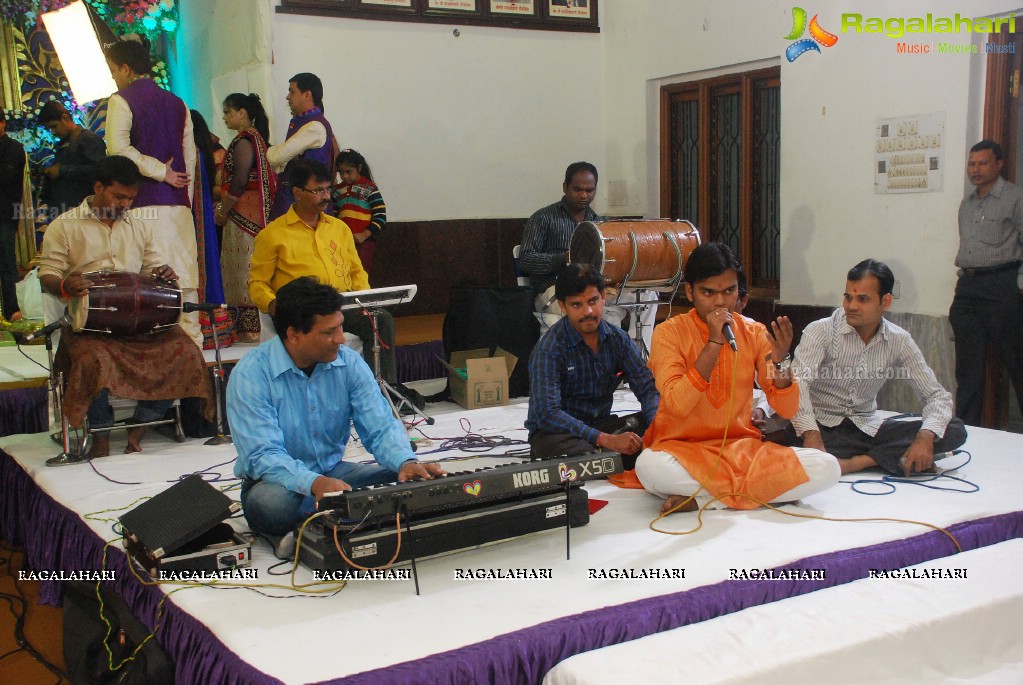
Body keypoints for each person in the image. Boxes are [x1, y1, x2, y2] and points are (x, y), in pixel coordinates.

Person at [227, 276, 444, 536]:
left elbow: (380, 426)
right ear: (293, 334)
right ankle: (344, 511)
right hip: (275, 483)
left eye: (340, 327)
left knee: (407, 478)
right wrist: (314, 482)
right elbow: (262, 455)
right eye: (329, 332)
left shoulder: (349, 363)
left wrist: (404, 461)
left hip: (335, 472)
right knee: (273, 505)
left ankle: (328, 516)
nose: (341, 339)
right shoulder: (251, 374)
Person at [635, 243, 839, 514]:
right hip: (683, 450)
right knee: (649, 467)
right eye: (709, 292)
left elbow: (787, 409)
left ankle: (707, 499)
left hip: (741, 452)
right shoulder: (668, 334)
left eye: (729, 291)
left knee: (827, 466)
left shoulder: (754, 332)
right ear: (690, 292)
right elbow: (678, 404)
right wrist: (713, 344)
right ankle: (753, 492)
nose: (720, 302)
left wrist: (779, 363)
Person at [36, 156, 212, 457]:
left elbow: (152, 266)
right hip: (90, 326)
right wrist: (66, 286)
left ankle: (141, 424)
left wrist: (162, 274)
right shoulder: (64, 226)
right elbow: (47, 275)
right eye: (118, 196)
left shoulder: (138, 225)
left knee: (185, 351)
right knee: (92, 358)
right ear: (98, 187)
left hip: (137, 323)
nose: (125, 205)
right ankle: (101, 434)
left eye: (131, 198)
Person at [793, 259, 968, 476]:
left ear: (885, 302)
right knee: (792, 438)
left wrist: (925, 438)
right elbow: (797, 385)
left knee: (955, 429)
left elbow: (937, 396)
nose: (851, 306)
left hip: (866, 428)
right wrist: (811, 435)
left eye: (862, 299)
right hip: (822, 429)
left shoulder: (899, 340)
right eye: (848, 297)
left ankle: (856, 463)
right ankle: (891, 457)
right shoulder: (820, 331)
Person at [248, 159, 399, 385]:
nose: (327, 196)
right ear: (298, 193)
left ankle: (381, 391)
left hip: (342, 304)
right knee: (317, 326)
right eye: (318, 190)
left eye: (328, 188)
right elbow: (257, 284)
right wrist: (274, 305)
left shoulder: (339, 228)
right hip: (302, 311)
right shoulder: (273, 234)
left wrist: (366, 301)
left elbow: (357, 271)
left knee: (380, 320)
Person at [104, 39, 201, 346]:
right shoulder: (178, 103)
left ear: (126, 68)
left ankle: (152, 364)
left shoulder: (121, 99)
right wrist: (184, 195)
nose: (114, 78)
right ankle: (193, 360)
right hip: (178, 209)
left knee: (147, 288)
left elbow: (117, 149)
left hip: (143, 208)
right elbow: (190, 158)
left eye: (113, 70)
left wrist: (160, 172)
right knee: (184, 286)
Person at [526, 263, 658, 468]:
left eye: (593, 301)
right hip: (563, 433)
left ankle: (605, 457)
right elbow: (547, 414)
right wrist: (605, 439)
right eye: (577, 305)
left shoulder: (618, 340)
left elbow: (647, 388)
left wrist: (659, 426)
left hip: (604, 426)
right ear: (563, 306)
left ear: (604, 297)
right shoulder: (549, 349)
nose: (587, 311)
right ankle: (616, 455)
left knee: (656, 420)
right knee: (547, 448)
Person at [520, 161, 658, 350]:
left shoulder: (599, 222)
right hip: (554, 289)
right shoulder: (543, 218)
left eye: (589, 190)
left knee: (647, 294)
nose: (584, 195)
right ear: (565, 187)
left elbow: (609, 262)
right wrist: (564, 259)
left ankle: (637, 357)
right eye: (578, 189)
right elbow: (526, 259)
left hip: (594, 287)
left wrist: (615, 276)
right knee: (603, 311)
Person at [949, 140, 1023, 426]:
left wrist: (1017, 285)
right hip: (968, 288)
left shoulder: (1015, 198)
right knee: (968, 370)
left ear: (999, 164)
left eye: (983, 163)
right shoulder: (967, 204)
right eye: (972, 163)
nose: (976, 169)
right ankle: (966, 432)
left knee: (1016, 362)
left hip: (1001, 286)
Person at [216, 93, 276, 342]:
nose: (225, 117)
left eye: (229, 112)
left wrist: (224, 209)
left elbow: (239, 182)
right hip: (250, 214)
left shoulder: (244, 141)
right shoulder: (256, 139)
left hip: (244, 215)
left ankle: (250, 330)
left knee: (243, 273)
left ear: (242, 113)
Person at [266, 72, 338, 220]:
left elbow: (276, 158)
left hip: (307, 204)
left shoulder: (314, 126)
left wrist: (271, 150)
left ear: (307, 95)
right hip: (299, 200)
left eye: (292, 92)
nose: (287, 97)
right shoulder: (304, 122)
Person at [37, 101, 107, 218]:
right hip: (65, 211)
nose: (53, 132)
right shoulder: (65, 142)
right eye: (50, 129)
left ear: (65, 118)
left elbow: (99, 171)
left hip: (83, 210)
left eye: (54, 126)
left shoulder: (89, 139)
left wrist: (62, 171)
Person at [189, 110, 225, 307]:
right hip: (211, 214)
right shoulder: (212, 149)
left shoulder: (209, 152)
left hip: (209, 213)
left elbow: (223, 188)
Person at [331, 148, 386, 273]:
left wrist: (364, 234)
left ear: (359, 168)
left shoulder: (370, 189)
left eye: (349, 171)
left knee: (361, 273)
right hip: (342, 243)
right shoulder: (336, 191)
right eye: (341, 172)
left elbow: (381, 216)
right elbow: (333, 218)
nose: (344, 176)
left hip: (364, 242)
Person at [0, 110, 25, 322]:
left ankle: (12, 312)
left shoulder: (14, 149)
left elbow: (6, 179)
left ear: (2, 124)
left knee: (7, 264)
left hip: (4, 215)